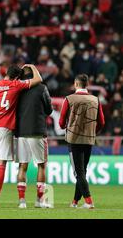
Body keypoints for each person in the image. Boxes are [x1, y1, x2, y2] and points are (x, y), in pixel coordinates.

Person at [0, 64, 42, 208]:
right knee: (1, 163)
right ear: (16, 77)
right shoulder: (15, 85)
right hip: (4, 127)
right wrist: (32, 67)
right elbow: (38, 79)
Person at [59, 74, 105, 209]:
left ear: (76, 84)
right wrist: (93, 132)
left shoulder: (69, 99)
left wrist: (66, 127)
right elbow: (101, 122)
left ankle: (89, 201)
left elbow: (61, 122)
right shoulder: (96, 100)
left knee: (79, 172)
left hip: (74, 139)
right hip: (89, 139)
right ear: (87, 84)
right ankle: (74, 202)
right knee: (82, 171)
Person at [15, 66, 53, 209]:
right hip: (37, 130)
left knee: (22, 166)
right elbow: (49, 109)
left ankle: (22, 201)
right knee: (41, 165)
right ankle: (40, 201)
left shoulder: (17, 89)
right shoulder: (42, 88)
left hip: (21, 132)